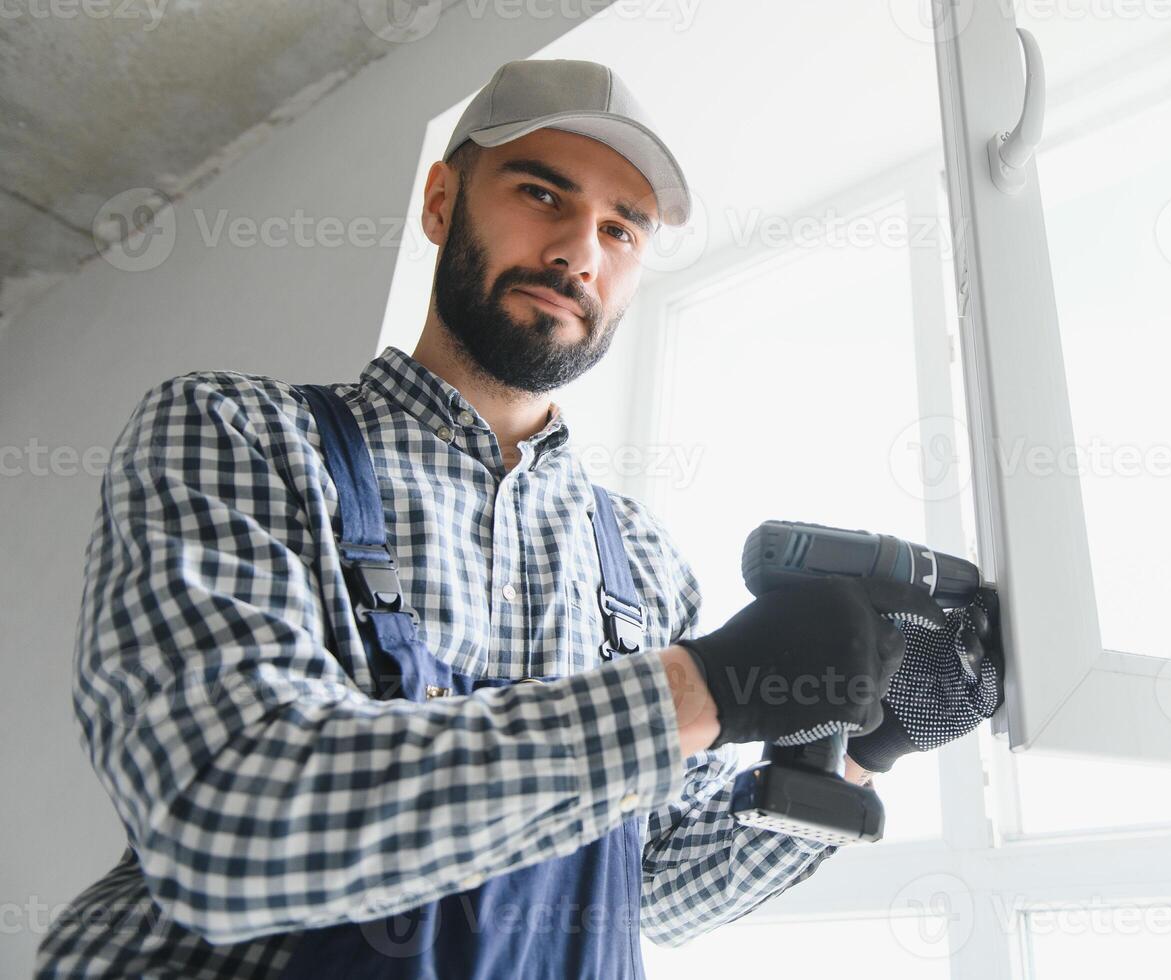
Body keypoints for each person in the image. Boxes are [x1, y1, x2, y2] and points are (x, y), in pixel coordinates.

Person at [34, 58, 994, 979]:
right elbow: (227, 819)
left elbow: (654, 891)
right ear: (442, 201)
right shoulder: (244, 436)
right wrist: (700, 690)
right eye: (543, 195)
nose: (580, 250)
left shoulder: (645, 569)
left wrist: (861, 753)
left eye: (622, 230)